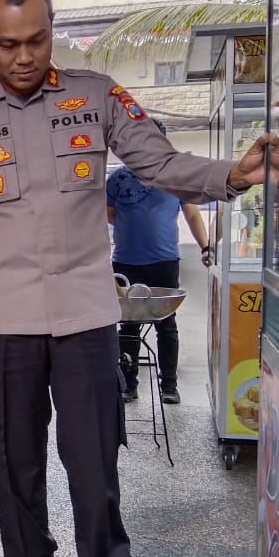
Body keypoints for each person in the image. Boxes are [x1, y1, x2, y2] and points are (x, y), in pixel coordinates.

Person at [0, 0, 279, 557]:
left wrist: (232, 176)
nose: (24, 56)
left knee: (94, 466)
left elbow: (159, 162)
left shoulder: (94, 97)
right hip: (7, 323)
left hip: (89, 315)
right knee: (15, 464)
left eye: (36, 40)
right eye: (8, 44)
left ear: (52, 28)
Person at [107, 119, 213, 405]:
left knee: (166, 324)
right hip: (125, 262)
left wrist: (205, 247)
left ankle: (169, 385)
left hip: (164, 260)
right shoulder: (116, 179)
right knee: (127, 325)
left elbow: (192, 214)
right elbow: (109, 214)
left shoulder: (177, 177)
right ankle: (128, 385)